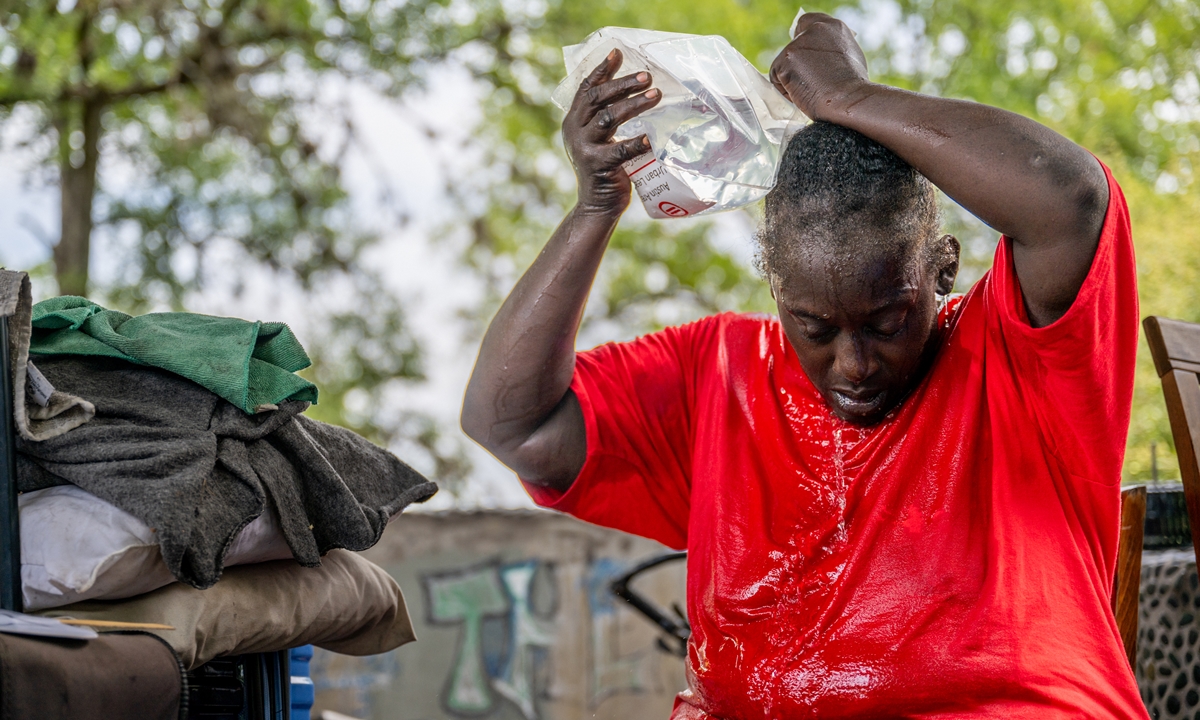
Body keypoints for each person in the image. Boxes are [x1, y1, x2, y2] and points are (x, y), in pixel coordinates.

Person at [461, 12, 1146, 719]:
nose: (854, 365)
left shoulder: (1011, 356)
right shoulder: (717, 372)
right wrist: (596, 206)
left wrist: (848, 97)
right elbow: (515, 424)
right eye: (815, 328)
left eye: (887, 322)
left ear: (942, 270)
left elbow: (1070, 202)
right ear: (777, 292)